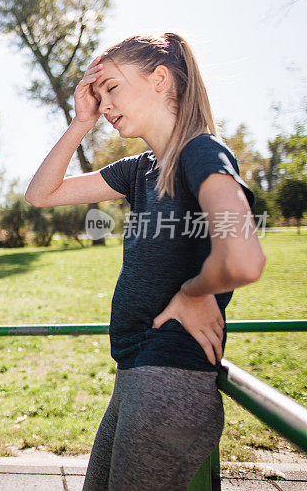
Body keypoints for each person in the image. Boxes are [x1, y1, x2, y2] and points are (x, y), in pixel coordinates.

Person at [25, 33, 266, 490]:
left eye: (112, 88)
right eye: (100, 95)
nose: (106, 104)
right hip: (135, 372)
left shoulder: (201, 151)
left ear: (160, 79)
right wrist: (81, 121)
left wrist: (196, 293)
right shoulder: (141, 169)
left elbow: (244, 255)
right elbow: (41, 194)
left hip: (170, 378)